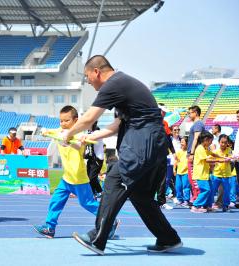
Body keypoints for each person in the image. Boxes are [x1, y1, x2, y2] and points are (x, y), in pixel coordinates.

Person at [64, 55, 182, 255]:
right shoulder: (124, 86)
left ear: (97, 72)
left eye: (87, 76)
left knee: (114, 179)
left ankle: (97, 238)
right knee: (141, 195)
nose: (88, 81)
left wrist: (69, 133)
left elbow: (89, 117)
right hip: (154, 146)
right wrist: (88, 137)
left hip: (142, 144)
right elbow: (116, 126)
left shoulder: (114, 83)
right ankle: (167, 238)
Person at [33, 106, 119, 239]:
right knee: (56, 201)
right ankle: (50, 227)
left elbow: (78, 145)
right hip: (66, 178)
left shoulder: (79, 135)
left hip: (79, 179)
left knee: (88, 204)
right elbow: (53, 131)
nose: (63, 123)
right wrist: (45, 131)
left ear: (75, 121)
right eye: (61, 121)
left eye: (66, 121)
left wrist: (67, 140)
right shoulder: (61, 131)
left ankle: (110, 220)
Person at [191, 131, 230, 213]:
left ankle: (207, 206)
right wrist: (220, 160)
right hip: (200, 174)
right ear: (205, 140)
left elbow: (212, 154)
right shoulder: (200, 148)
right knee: (206, 190)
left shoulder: (205, 148)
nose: (211, 143)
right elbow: (207, 159)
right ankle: (195, 205)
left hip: (205, 174)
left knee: (211, 190)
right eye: (210, 141)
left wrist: (222, 157)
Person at [187, 105, 206, 203]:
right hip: (192, 153)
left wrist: (192, 153)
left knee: (194, 179)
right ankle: (196, 198)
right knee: (192, 178)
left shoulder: (198, 124)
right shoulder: (196, 124)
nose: (189, 115)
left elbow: (196, 138)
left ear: (196, 113)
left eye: (190, 113)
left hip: (194, 154)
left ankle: (197, 200)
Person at [212, 134, 234, 212]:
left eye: (225, 142)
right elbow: (211, 161)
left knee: (227, 191)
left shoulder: (229, 150)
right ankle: (209, 204)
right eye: (222, 142)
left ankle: (226, 206)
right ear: (219, 142)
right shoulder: (215, 151)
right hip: (216, 174)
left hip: (226, 175)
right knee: (213, 190)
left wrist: (230, 159)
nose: (223, 144)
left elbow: (232, 158)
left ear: (227, 143)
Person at [85, 121, 104, 198]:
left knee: (91, 178)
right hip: (91, 158)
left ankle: (97, 193)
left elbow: (89, 137)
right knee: (89, 178)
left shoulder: (97, 132)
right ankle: (96, 193)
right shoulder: (89, 132)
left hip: (97, 159)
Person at [173, 137, 190, 207]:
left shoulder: (189, 152)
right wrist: (174, 169)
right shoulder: (179, 152)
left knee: (186, 187)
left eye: (183, 142)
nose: (181, 143)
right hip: (179, 172)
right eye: (181, 142)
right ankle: (180, 199)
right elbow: (176, 161)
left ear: (187, 143)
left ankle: (186, 200)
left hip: (186, 172)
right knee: (178, 186)